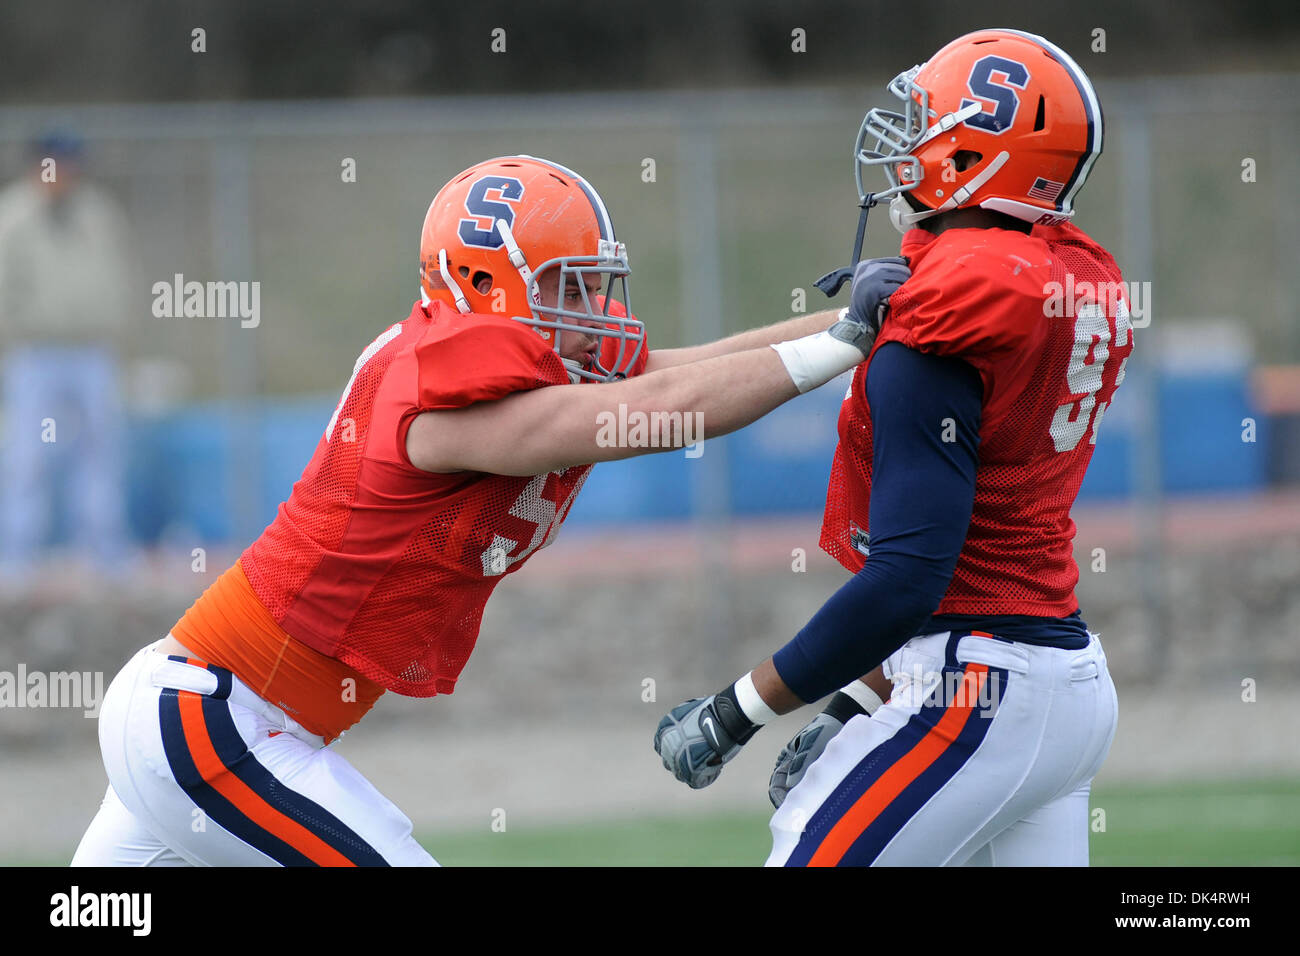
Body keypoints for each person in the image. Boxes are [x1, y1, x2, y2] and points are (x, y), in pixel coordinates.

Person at [72, 154, 895, 866]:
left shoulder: (486, 357)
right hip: (217, 723)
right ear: (483, 282)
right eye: (566, 285)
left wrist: (850, 320)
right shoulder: (436, 398)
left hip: (212, 718)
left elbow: (676, 372)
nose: (593, 307)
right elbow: (651, 413)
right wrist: (841, 345)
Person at [655, 29, 1131, 867]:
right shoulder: (1059, 280)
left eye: (925, 125)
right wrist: (853, 700)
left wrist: (735, 712)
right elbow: (981, 552)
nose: (905, 146)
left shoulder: (946, 322)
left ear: (975, 153)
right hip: (1064, 680)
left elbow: (911, 578)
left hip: (981, 690)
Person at [0, 131, 133, 577]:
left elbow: (117, 272)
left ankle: (105, 554)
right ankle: (18, 558)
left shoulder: (97, 212)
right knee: (29, 454)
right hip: (36, 352)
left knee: (100, 451)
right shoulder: (14, 215)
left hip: (91, 350)